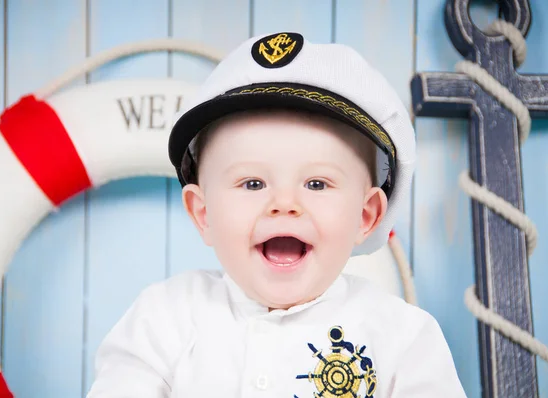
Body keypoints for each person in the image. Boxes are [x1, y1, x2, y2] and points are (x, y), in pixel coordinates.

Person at [87, 32, 467, 398]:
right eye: (252, 184)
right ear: (203, 213)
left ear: (365, 216)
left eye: (316, 184)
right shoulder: (163, 320)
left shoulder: (403, 339)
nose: (284, 203)